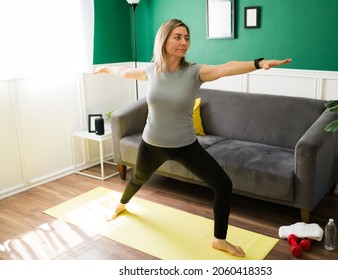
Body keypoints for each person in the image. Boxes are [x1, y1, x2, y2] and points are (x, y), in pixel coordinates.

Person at [95, 19, 292, 257]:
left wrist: (259, 63)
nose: (183, 42)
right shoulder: (150, 71)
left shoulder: (194, 72)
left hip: (185, 146)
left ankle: (220, 240)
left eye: (186, 38)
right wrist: (106, 68)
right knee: (137, 179)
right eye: (177, 37)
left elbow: (225, 68)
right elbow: (125, 72)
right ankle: (121, 205)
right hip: (152, 144)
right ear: (164, 39)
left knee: (223, 185)